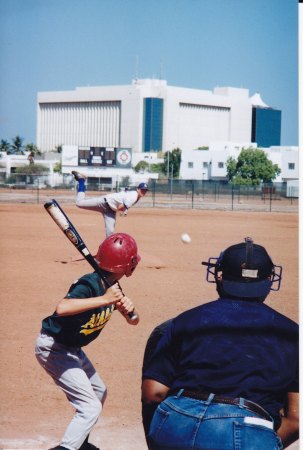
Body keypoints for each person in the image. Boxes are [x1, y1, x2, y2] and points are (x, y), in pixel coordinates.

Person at [141, 237, 299, 450]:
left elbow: (154, 393)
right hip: (247, 430)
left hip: (176, 423)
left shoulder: (183, 321)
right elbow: (296, 419)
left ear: (219, 277)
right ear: (270, 280)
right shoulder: (291, 333)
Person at [35, 233, 141, 450]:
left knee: (99, 392)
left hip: (72, 349)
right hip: (54, 348)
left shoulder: (112, 285)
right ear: (125, 265)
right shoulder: (90, 283)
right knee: (90, 407)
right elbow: (62, 308)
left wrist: (129, 309)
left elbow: (134, 321)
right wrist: (105, 299)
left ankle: (80, 444)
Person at [71, 171, 149, 237]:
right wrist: (122, 211)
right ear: (137, 189)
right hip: (104, 203)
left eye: (145, 190)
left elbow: (124, 206)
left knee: (110, 232)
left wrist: (122, 211)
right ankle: (81, 180)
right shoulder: (134, 196)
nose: (144, 192)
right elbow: (121, 207)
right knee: (79, 203)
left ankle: (105, 251)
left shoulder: (136, 197)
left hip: (110, 211)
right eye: (142, 190)